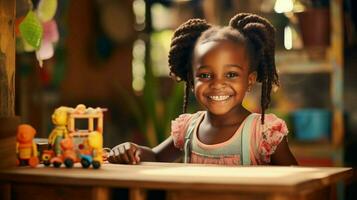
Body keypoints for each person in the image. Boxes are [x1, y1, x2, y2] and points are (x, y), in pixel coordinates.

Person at [108, 13, 298, 166]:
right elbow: (156, 157)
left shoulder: (263, 133)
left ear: (250, 80)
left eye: (231, 74)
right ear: (191, 81)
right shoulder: (188, 129)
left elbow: (295, 182)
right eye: (206, 75)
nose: (217, 84)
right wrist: (131, 150)